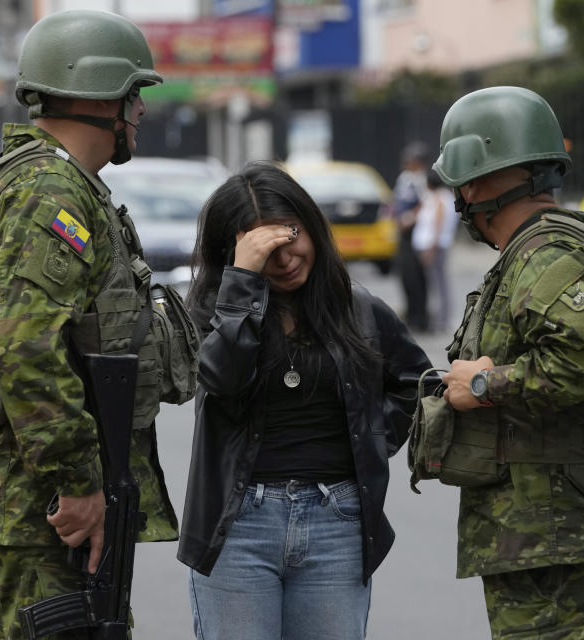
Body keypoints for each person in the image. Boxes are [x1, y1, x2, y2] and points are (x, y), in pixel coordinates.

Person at [0, 10, 187, 639]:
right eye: (134, 94)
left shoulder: (54, 184)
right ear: (102, 99)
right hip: (51, 505)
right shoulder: (50, 193)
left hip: (50, 498)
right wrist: (77, 483)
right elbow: (24, 348)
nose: (140, 111)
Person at [178, 161, 432, 639]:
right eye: (263, 248)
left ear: (312, 226)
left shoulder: (358, 310)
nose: (284, 258)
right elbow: (222, 378)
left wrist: (372, 438)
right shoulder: (214, 312)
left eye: (291, 236)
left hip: (337, 523)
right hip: (238, 527)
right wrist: (243, 285)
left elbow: (418, 384)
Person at [433, 86, 584, 639]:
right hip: (548, 541)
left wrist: (479, 384)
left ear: (473, 182)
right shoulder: (545, 251)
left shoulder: (545, 254)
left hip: (560, 545)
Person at [393, 141, 432, 332]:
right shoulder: (405, 179)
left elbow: (427, 203)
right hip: (403, 235)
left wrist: (410, 218)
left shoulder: (422, 180)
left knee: (418, 278)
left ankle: (420, 317)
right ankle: (410, 313)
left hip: (416, 235)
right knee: (405, 276)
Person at [411, 169, 457, 332]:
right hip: (432, 246)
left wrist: (431, 249)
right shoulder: (437, 197)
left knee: (437, 283)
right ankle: (439, 317)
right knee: (437, 283)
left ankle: (442, 319)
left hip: (435, 247)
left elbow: (438, 226)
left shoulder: (440, 199)